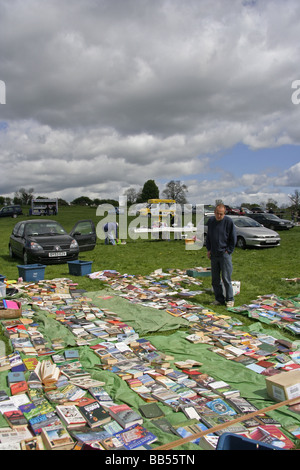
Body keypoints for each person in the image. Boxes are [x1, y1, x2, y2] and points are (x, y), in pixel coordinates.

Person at [206, 203, 237, 307]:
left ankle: (230, 299)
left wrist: (228, 251)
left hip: (224, 254)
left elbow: (233, 238)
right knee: (215, 279)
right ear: (214, 213)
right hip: (214, 254)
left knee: (226, 278)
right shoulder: (211, 221)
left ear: (224, 213)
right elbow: (209, 236)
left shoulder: (228, 222)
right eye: (217, 214)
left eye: (221, 214)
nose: (219, 216)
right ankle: (219, 299)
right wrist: (209, 249)